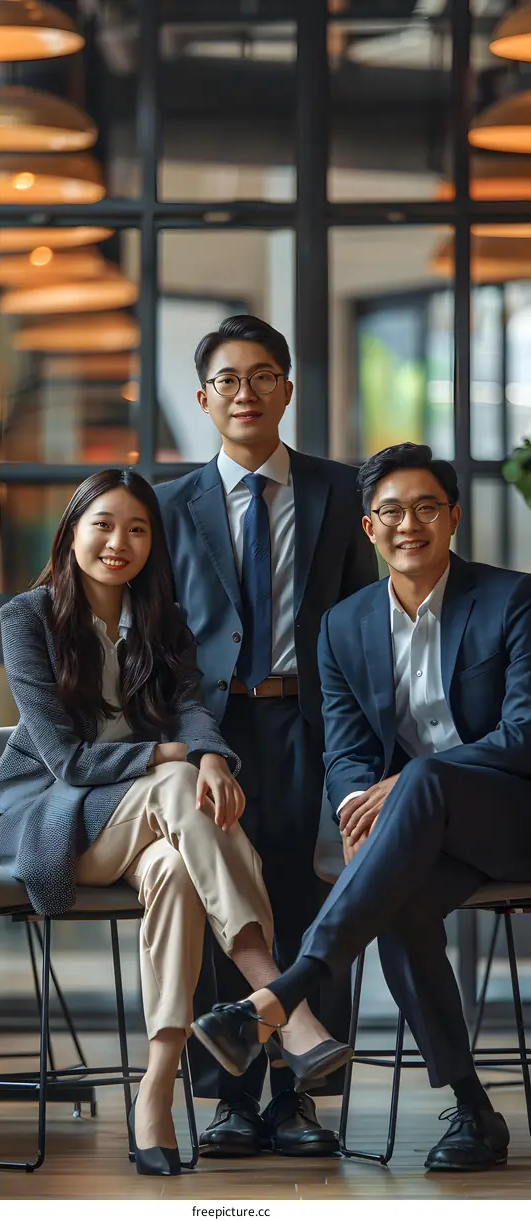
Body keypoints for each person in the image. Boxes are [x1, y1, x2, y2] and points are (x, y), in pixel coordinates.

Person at [0, 468, 350, 1177]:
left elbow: (190, 707)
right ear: (72, 531)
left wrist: (208, 754)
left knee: (179, 868)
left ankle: (154, 1092)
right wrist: (179, 757)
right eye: (103, 524)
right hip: (54, 823)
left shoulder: (161, 617)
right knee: (178, 780)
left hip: (151, 828)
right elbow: (67, 761)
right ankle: (281, 1003)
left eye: (137, 529)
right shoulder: (27, 617)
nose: (118, 542)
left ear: (154, 543)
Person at [191, 441, 531, 1172]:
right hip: (424, 835)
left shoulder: (513, 599)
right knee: (398, 899)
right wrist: (357, 811)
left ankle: (284, 992)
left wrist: (406, 787)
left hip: (511, 819)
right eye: (392, 512)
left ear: (454, 518)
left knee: (423, 778)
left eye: (427, 508)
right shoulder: (343, 625)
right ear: (370, 528)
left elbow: (524, 733)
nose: (410, 525)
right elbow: (345, 753)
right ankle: (474, 1112)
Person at [154, 315, 378, 1157]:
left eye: (261, 376)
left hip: (314, 718)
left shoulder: (340, 492)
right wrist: (195, 738)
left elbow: (363, 624)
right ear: (204, 398)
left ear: (286, 389)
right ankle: (230, 1100)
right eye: (227, 380)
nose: (244, 393)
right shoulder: (167, 505)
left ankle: (300, 1098)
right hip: (212, 724)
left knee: (310, 898)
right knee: (223, 899)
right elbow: (164, 644)